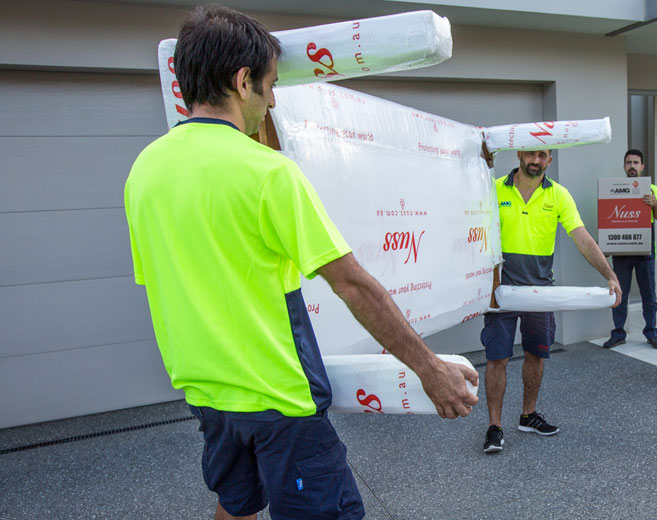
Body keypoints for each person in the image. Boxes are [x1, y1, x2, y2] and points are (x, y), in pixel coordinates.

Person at [124, 6, 478, 520]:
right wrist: (430, 370)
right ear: (242, 81)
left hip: (207, 397)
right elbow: (352, 285)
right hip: (280, 404)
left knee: (236, 506)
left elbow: (161, 278)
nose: (271, 100)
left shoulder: (144, 171)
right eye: (269, 85)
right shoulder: (268, 174)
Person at [481, 148, 622, 454]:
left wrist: (608, 274)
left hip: (541, 290)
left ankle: (528, 416)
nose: (536, 160)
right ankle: (494, 427)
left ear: (550, 160)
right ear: (520, 154)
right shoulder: (494, 189)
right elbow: (474, 230)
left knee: (536, 354)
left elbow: (582, 237)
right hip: (500, 289)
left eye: (542, 155)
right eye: (531, 154)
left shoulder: (558, 195)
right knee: (497, 358)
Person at [602, 149, 657, 350]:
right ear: (624, 166)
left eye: (636, 162)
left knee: (649, 296)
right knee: (620, 295)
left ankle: (652, 333)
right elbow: (610, 218)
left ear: (642, 166)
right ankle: (618, 334)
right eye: (628, 162)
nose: (632, 166)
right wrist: (607, 243)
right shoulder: (614, 188)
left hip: (645, 252)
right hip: (622, 252)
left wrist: (654, 204)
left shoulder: (652, 188)